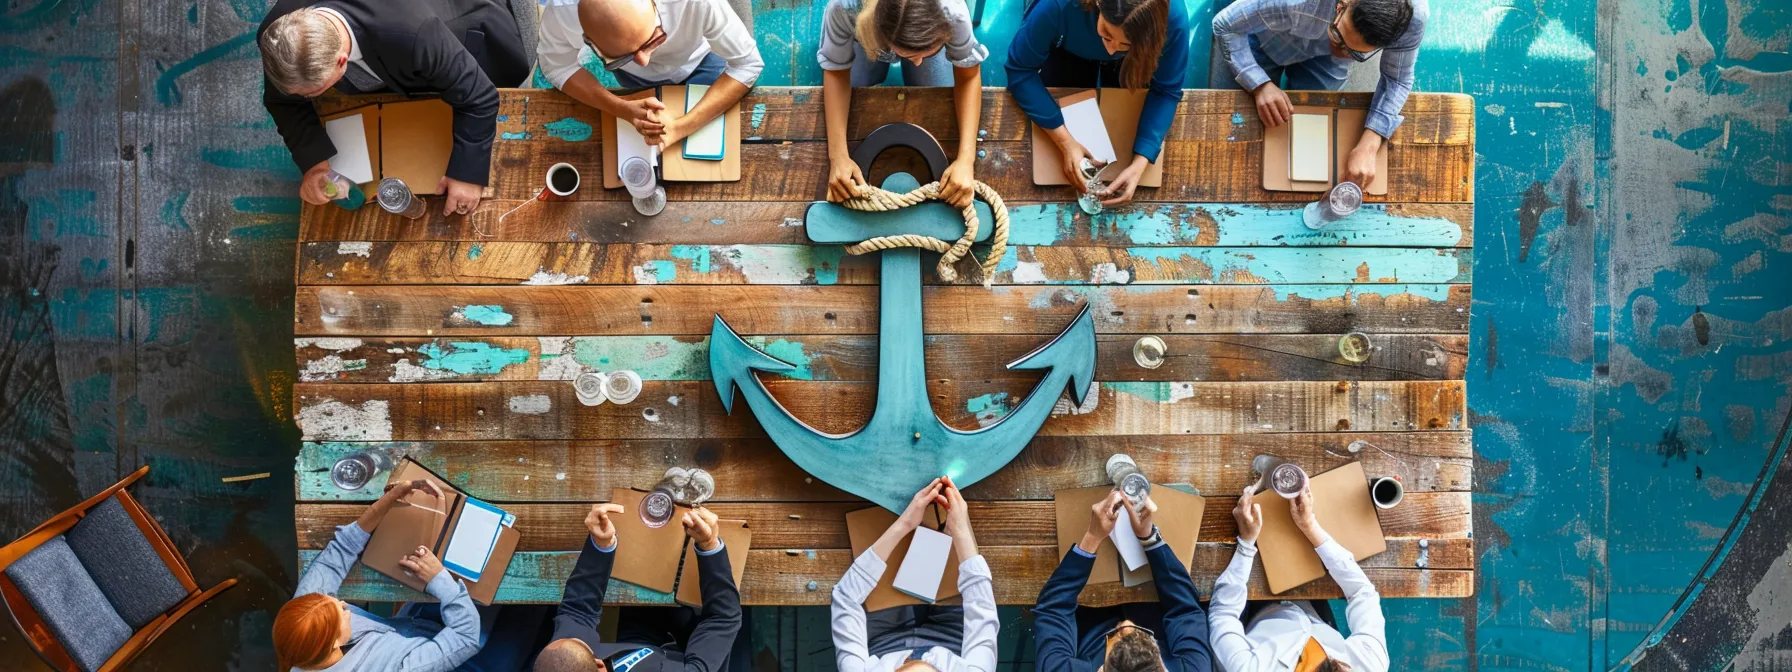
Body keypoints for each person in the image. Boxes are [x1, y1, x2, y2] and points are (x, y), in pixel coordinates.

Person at [257, 0, 533, 217]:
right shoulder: (280, 36)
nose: (305, 98)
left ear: (342, 62)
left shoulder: (414, 34)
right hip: (390, 62)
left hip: (460, 34)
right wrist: (315, 166)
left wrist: (467, 173)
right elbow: (281, 100)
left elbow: (479, 97)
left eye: (313, 93)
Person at [1211, 0, 1426, 187]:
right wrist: (1259, 85)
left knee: (1316, 121)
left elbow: (1397, 78)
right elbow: (1225, 26)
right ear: (1342, 5)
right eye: (1337, 35)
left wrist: (1370, 144)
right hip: (1267, 34)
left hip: (1321, 47)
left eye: (1355, 53)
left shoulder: (1412, 19)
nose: (1338, 51)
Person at [273, 480, 482, 671]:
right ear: (333, 642)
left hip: (411, 628)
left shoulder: (304, 624)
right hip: (461, 653)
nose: (344, 604)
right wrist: (438, 577)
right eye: (340, 612)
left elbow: (341, 548)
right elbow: (465, 636)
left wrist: (388, 500)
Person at [1005, 0, 1189, 206]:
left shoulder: (1174, 20)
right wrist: (1065, 142)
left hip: (1136, 52)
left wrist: (1141, 161)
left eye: (1124, 44)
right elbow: (1020, 69)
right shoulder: (1056, 5)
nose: (1111, 50)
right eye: (1107, 34)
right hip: (1069, 33)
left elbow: (1166, 89)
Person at [817, 0, 989, 207]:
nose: (917, 62)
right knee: (858, 86)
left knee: (936, 93)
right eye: (909, 56)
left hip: (922, 30)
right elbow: (836, 73)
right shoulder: (844, 8)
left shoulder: (952, 12)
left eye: (928, 53)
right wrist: (838, 158)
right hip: (869, 31)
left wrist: (966, 161)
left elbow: (968, 75)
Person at [534, 502, 742, 671]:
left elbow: (578, 612)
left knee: (646, 581)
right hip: (687, 659)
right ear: (599, 664)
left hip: (636, 649)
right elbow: (723, 619)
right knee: (701, 606)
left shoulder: (567, 660)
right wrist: (709, 546)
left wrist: (601, 544)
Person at [536, 0, 762, 150]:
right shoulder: (561, 12)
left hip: (701, 60)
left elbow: (747, 64)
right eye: (621, 56)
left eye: (653, 39)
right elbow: (557, 66)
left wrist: (681, 127)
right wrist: (619, 106)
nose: (644, 62)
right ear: (589, 40)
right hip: (631, 80)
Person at [1208, 485, 1389, 672]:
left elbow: (1223, 614)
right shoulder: (1371, 665)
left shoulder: (1250, 668)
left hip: (1256, 615)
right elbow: (1362, 592)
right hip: (1312, 615)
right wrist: (1310, 526)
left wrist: (1245, 543)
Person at [832, 477, 999, 671]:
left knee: (881, 582)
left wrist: (904, 523)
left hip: (885, 640)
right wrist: (960, 530)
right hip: (953, 638)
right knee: (958, 576)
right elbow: (981, 610)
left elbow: (845, 598)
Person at [1034, 490, 1214, 671]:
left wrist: (1093, 537)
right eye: (1136, 634)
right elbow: (1185, 610)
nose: (1127, 624)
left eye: (1119, 636)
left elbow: (1053, 608)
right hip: (1156, 612)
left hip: (1090, 622)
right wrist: (1149, 537)